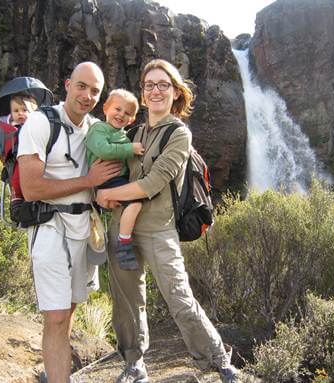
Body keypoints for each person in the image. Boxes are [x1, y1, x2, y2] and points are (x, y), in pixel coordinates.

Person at [96, 59, 240, 383]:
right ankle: (134, 364)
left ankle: (217, 360)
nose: (156, 90)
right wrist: (99, 194)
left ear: (176, 92)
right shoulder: (130, 133)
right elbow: (104, 172)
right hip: (121, 230)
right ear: (143, 95)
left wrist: (110, 194)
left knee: (180, 298)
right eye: (149, 85)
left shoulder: (179, 134)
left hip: (160, 231)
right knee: (127, 303)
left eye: (163, 84)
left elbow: (153, 182)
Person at [17, 62, 121, 383]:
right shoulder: (40, 122)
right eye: (81, 86)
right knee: (58, 317)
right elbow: (32, 187)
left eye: (94, 90)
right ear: (67, 85)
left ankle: (54, 373)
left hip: (85, 232)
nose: (86, 95)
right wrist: (87, 180)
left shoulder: (97, 131)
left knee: (70, 311)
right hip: (49, 228)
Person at [85, 89, 144, 270]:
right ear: (105, 108)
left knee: (133, 203)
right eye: (117, 109)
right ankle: (123, 243)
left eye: (127, 113)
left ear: (132, 119)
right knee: (135, 203)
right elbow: (103, 150)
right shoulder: (99, 129)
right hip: (106, 180)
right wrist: (130, 149)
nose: (121, 115)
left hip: (116, 180)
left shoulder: (123, 135)